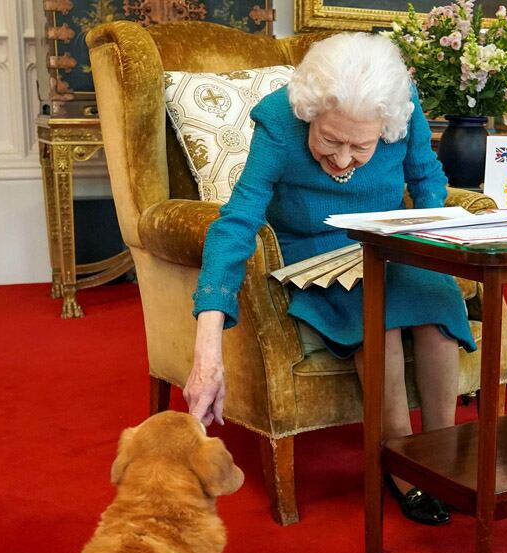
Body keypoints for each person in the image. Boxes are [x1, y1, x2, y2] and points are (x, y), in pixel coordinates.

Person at [183, 33, 475, 526]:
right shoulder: (278, 119)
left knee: (438, 313)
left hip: (389, 241)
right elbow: (237, 221)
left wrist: (437, 249)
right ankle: (401, 465)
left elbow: (427, 184)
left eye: (361, 146)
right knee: (376, 322)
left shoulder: (403, 108)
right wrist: (207, 345)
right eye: (329, 140)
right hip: (312, 249)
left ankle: (440, 457)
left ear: (386, 124)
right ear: (310, 113)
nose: (343, 160)